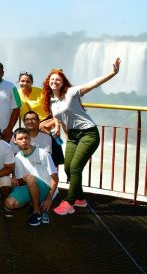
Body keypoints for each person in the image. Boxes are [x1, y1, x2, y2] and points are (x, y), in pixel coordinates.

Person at [42, 58, 121, 216]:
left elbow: (92, 84)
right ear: (48, 82)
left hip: (88, 133)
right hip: (72, 136)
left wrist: (113, 73)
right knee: (68, 168)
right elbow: (58, 117)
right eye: (52, 79)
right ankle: (81, 199)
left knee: (76, 167)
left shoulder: (71, 92)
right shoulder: (52, 100)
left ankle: (69, 202)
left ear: (63, 82)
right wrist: (61, 129)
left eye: (58, 79)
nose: (55, 81)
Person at [5, 129, 59, 226]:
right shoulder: (17, 157)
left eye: (26, 138)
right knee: (9, 203)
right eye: (20, 139)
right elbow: (21, 180)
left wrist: (49, 197)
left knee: (30, 178)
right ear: (15, 141)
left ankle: (37, 212)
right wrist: (14, 177)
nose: (24, 141)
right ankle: (34, 204)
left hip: (46, 189)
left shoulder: (43, 153)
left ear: (30, 139)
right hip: (30, 186)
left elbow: (55, 178)